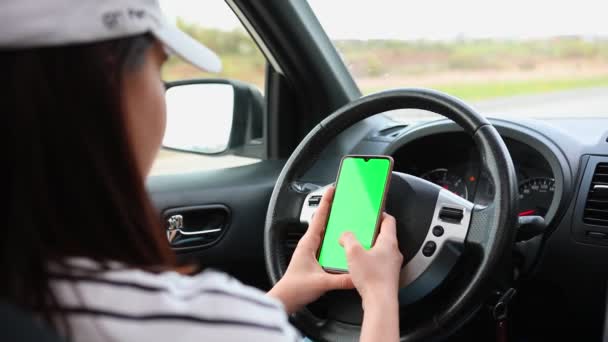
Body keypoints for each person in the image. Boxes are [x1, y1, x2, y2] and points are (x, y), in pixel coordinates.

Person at [0, 0, 403, 341]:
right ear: (108, 91)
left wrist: (283, 293)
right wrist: (380, 293)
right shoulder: (208, 321)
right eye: (159, 69)